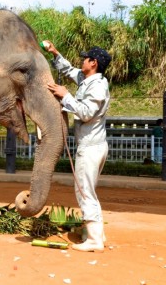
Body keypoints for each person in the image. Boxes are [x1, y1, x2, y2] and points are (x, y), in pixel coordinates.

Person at [44, 41, 111, 253]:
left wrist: (65, 96)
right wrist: (55, 53)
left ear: (93, 63)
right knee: (88, 190)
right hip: (93, 145)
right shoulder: (87, 79)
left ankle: (94, 240)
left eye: (85, 58)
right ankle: (96, 233)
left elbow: (86, 113)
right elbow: (68, 69)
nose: (81, 61)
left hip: (90, 148)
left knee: (84, 192)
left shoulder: (98, 86)